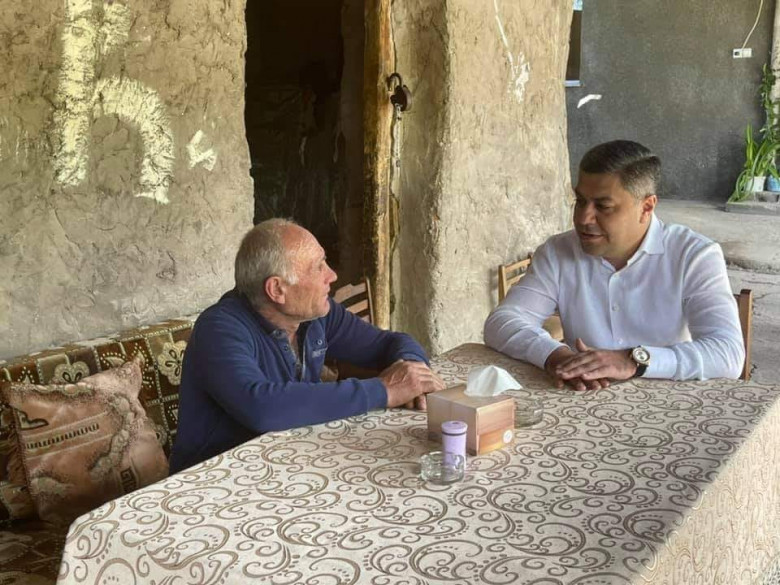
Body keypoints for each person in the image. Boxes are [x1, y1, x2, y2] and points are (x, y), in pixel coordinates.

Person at [170, 219, 444, 473]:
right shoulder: (220, 329)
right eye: (318, 267)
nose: (332, 275)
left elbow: (389, 343)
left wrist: (412, 371)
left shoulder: (315, 315)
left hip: (284, 464)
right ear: (277, 290)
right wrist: (384, 390)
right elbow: (263, 407)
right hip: (211, 481)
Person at [484, 140, 745, 389]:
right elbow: (503, 322)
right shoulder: (558, 252)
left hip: (668, 406)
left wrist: (634, 360)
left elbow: (728, 353)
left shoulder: (693, 256)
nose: (583, 218)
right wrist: (554, 355)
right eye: (580, 201)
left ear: (646, 207)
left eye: (603, 206)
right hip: (582, 399)